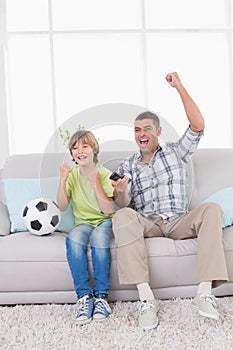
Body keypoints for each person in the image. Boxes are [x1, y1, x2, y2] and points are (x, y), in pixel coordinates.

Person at [111, 72, 228, 330]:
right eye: (137, 130)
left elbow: (198, 125)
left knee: (212, 210)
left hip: (178, 220)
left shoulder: (176, 151)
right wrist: (120, 191)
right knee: (121, 216)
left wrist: (180, 88)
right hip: (149, 223)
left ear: (158, 131)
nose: (142, 134)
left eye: (147, 129)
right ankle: (146, 299)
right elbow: (124, 204)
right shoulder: (128, 164)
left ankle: (204, 293)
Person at [57, 130, 114, 325]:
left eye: (84, 146)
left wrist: (94, 181)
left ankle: (101, 297)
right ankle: (84, 297)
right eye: (75, 147)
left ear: (94, 149)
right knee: (73, 240)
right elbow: (63, 206)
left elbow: (108, 211)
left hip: (103, 221)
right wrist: (63, 179)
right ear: (72, 154)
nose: (80, 151)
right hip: (82, 223)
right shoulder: (72, 176)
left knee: (99, 238)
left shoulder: (104, 174)